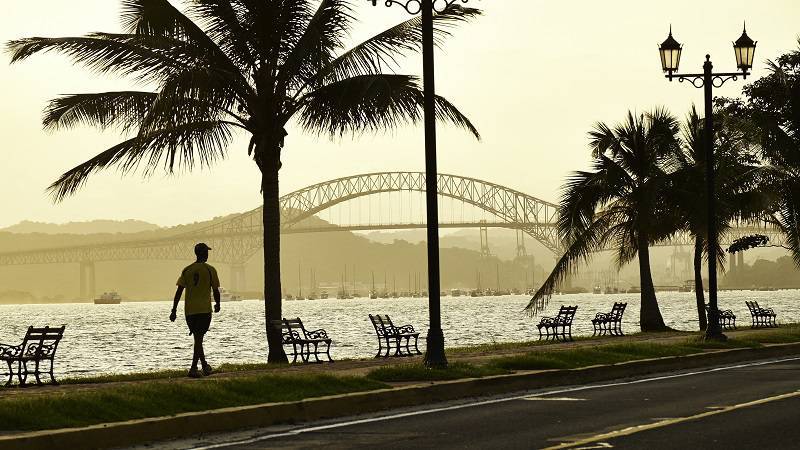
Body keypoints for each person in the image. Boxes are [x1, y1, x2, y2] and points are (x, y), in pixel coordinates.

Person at [170, 243, 221, 378]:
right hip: (204, 310)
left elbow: (179, 291)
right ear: (204, 254)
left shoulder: (187, 270)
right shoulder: (210, 270)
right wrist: (218, 304)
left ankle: (205, 366)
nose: (208, 254)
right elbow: (215, 290)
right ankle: (193, 368)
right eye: (207, 252)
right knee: (199, 339)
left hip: (189, 311)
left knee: (198, 338)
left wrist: (174, 310)